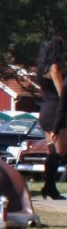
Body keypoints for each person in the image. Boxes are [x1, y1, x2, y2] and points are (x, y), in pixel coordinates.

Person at [36, 34, 66, 200]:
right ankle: (49, 186)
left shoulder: (41, 68)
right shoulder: (54, 68)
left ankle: (49, 186)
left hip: (46, 109)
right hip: (56, 110)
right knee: (60, 151)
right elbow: (63, 92)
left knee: (53, 150)